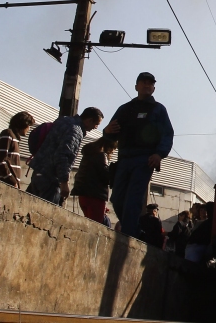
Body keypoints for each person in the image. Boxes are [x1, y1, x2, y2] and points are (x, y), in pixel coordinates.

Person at [104, 72, 174, 240]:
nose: (147, 85)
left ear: (154, 88)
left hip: (144, 160)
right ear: (136, 86)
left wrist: (159, 154)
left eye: (150, 84)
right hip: (124, 159)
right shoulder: (125, 109)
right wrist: (106, 132)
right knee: (117, 199)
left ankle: (129, 235)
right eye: (143, 83)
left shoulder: (158, 109)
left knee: (133, 200)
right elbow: (111, 133)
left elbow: (167, 134)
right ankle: (134, 229)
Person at [27, 107, 104, 205]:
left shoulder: (63, 120)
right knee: (47, 212)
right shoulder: (76, 131)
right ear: (89, 120)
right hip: (51, 177)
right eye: (96, 124)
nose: (95, 127)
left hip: (38, 170)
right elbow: (64, 156)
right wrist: (64, 182)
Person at [71, 136, 117, 224]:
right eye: (113, 149)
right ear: (108, 146)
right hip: (95, 196)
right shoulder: (101, 156)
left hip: (83, 194)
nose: (113, 152)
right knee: (96, 225)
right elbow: (105, 176)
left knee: (88, 223)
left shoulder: (88, 156)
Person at [0, 111, 35, 189]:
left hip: (8, 185)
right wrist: (12, 181)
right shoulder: (7, 134)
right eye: (28, 126)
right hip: (2, 183)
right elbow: (1, 161)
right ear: (23, 124)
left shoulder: (14, 138)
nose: (29, 129)